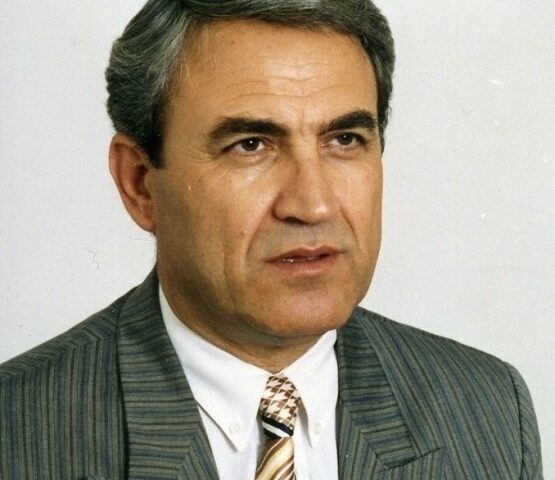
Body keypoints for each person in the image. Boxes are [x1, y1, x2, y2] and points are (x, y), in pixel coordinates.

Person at [0, 0, 543, 478]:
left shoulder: (489, 409)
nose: (313, 205)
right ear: (140, 183)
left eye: (344, 139)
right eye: (251, 145)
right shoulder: (17, 431)